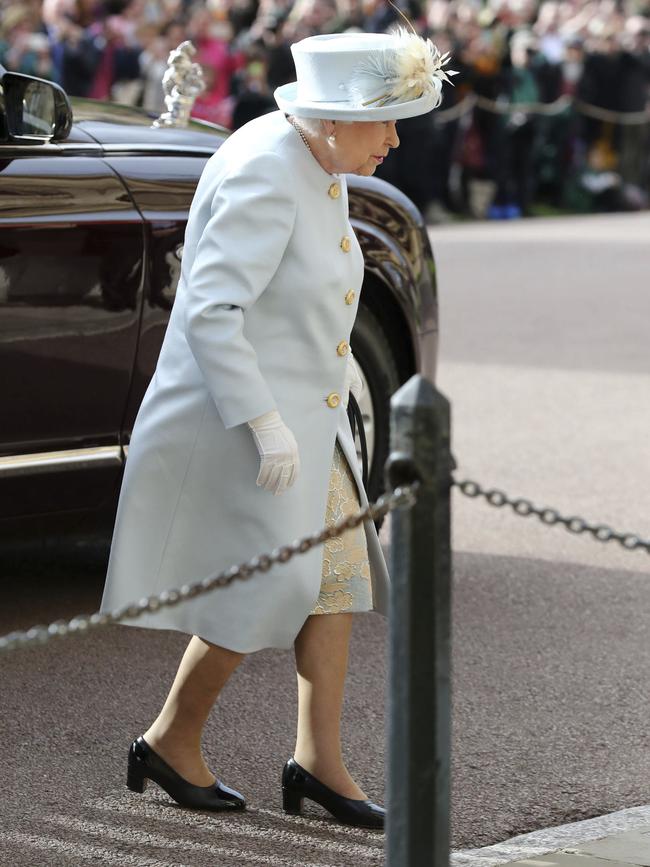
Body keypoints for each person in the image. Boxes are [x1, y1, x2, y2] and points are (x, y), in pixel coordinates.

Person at [100, 28, 454, 829]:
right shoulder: (270, 166)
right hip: (240, 421)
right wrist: (265, 423)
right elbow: (212, 311)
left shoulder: (309, 152)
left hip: (295, 420)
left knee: (332, 583)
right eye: (387, 120)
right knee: (264, 586)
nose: (396, 140)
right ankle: (170, 738)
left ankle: (317, 762)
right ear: (333, 117)